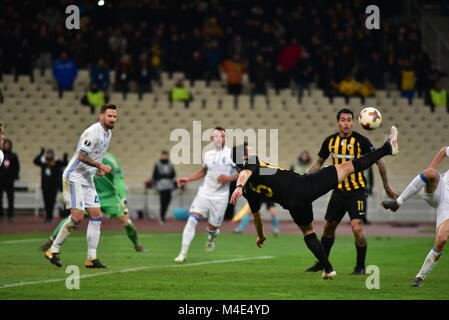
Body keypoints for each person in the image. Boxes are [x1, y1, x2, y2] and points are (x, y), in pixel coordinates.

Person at [229, 127, 398, 280]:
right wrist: (238, 185)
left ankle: (328, 269)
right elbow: (245, 172)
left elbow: (257, 215)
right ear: (243, 157)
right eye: (250, 151)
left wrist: (260, 235)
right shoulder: (250, 164)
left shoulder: (248, 189)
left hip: (293, 205)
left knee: (308, 232)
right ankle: (387, 148)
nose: (253, 153)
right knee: (347, 167)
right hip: (303, 187)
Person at [304, 109, 398, 275]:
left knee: (356, 227)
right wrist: (304, 179)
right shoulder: (330, 141)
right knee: (328, 228)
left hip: (357, 191)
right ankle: (322, 263)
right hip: (338, 191)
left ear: (354, 123)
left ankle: (360, 266)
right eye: (343, 120)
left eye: (349, 120)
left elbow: (380, 162)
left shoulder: (361, 141)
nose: (346, 123)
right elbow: (318, 162)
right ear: (337, 123)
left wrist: (386, 186)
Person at [44, 104, 117, 268]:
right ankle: (53, 250)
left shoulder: (108, 133)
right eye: (109, 116)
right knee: (77, 217)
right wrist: (100, 166)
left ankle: (92, 258)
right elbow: (81, 155)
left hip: (87, 179)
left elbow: (96, 154)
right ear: (101, 116)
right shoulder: (93, 132)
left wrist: (98, 169)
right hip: (74, 177)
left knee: (96, 216)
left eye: (114, 116)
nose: (112, 119)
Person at [40, 152, 148, 253]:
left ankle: (136, 244)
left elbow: (119, 180)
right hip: (91, 195)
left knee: (127, 222)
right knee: (73, 218)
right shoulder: (85, 158)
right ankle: (51, 241)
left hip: (110, 197)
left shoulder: (110, 160)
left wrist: (123, 197)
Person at [381, 146, 449, 287]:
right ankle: (398, 202)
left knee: (442, 239)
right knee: (430, 173)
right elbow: (444, 151)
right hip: (441, 189)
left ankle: (420, 277)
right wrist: (431, 168)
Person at [174, 127, 237, 262]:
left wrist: (229, 179)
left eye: (223, 136)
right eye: (217, 136)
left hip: (220, 196)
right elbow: (203, 171)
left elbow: (242, 172)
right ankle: (182, 253)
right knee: (192, 219)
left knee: (213, 228)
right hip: (205, 192)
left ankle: (212, 236)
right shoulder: (208, 154)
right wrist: (188, 179)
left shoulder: (232, 154)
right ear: (212, 139)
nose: (220, 139)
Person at [33, 148, 68, 223]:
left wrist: (65, 157)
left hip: (53, 186)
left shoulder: (56, 162)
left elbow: (64, 164)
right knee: (46, 202)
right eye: (47, 153)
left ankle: (50, 217)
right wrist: (40, 154)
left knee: (52, 202)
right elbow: (35, 161)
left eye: (50, 153)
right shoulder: (43, 162)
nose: (48, 155)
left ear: (53, 154)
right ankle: (47, 217)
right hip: (45, 186)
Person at [150, 150, 176, 224]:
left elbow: (173, 175)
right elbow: (155, 176)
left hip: (169, 185)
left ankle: (163, 216)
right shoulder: (157, 164)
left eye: (166, 155)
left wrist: (167, 176)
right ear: (161, 156)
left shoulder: (171, 164)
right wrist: (163, 176)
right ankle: (162, 217)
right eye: (164, 155)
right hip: (161, 186)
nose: (165, 157)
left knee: (168, 201)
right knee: (163, 201)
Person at [0, 139, 20, 223]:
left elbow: (17, 167)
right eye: (5, 144)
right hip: (0, 180)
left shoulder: (13, 156)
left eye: (8, 144)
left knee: (10, 198)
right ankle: (0, 215)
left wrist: (13, 175)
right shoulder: (0, 155)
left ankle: (10, 215)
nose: (7, 146)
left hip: (9, 181)